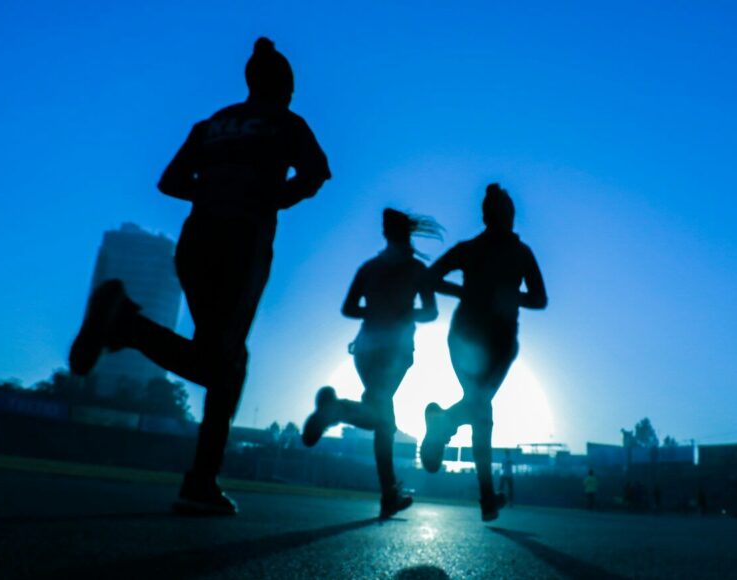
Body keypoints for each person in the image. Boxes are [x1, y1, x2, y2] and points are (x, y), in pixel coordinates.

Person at [68, 37, 330, 515]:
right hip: (242, 243)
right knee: (222, 362)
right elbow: (316, 174)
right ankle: (127, 326)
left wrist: (211, 193)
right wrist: (269, 197)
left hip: (196, 241)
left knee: (227, 358)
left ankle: (200, 479)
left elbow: (168, 181)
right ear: (286, 86)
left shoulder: (212, 124)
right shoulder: (286, 123)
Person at [419, 183, 548, 522]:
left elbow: (539, 298)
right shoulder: (510, 253)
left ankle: (443, 425)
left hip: (489, 343)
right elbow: (539, 299)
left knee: (480, 410)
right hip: (483, 341)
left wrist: (477, 293)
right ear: (502, 216)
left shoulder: (490, 251)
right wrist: (476, 293)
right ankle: (486, 496)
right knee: (481, 410)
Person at [301, 209, 440, 518]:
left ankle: (389, 492)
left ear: (385, 235)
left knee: (383, 420)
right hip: (395, 352)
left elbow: (349, 308)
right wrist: (404, 314)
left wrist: (375, 312)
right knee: (383, 421)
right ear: (408, 235)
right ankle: (336, 411)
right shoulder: (417, 270)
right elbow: (431, 313)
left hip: (365, 349)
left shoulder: (369, 268)